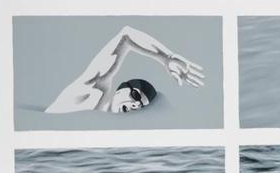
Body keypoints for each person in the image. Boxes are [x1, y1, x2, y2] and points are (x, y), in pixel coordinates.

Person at [45, 25, 204, 114]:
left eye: (141, 105)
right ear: (120, 89)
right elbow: (126, 36)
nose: (136, 105)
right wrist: (167, 57)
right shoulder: (93, 91)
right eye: (136, 96)